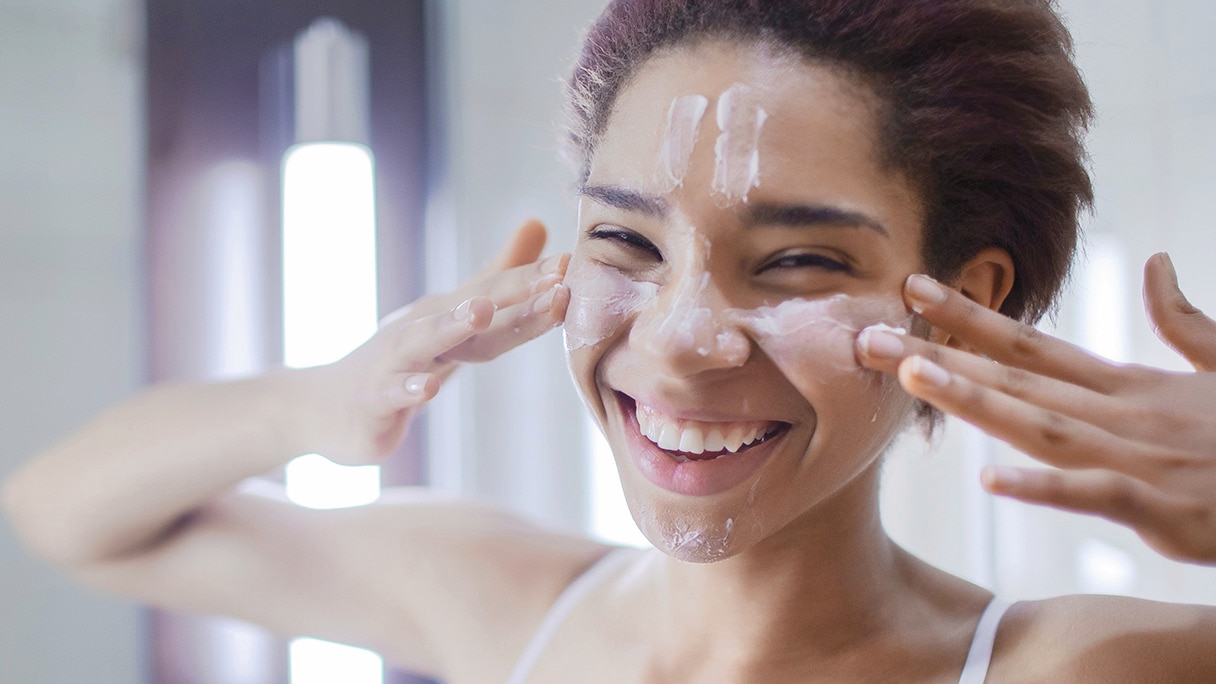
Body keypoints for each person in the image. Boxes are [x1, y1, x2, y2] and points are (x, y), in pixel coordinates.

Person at [5, 0, 1216, 681]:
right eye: (626, 246)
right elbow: (67, 511)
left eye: (796, 259)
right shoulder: (506, 605)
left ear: (967, 299)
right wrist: (309, 406)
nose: (682, 340)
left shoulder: (1068, 669)